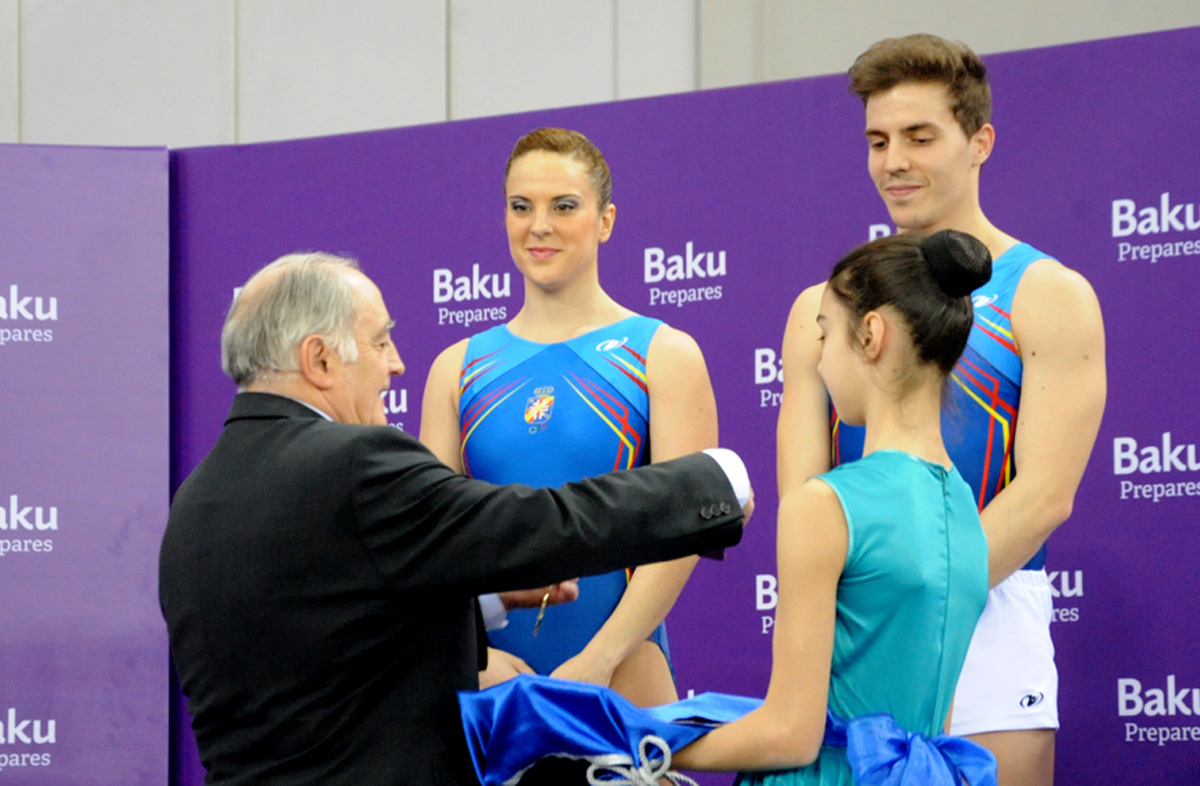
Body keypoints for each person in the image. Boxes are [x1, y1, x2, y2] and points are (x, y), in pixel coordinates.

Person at [158, 252, 752, 786]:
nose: (396, 363)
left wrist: (489, 603)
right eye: (379, 340)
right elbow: (540, 523)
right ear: (319, 358)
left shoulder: (194, 505)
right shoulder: (357, 463)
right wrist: (708, 481)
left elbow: (332, 631)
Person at [776, 34, 1106, 785]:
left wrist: (923, 600)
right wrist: (868, 613)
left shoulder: (1048, 294)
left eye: (920, 137)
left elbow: (1046, 495)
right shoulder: (815, 312)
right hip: (857, 626)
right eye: (878, 140)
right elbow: (804, 495)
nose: (894, 161)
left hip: (989, 617)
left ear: (979, 141)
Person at [673, 231, 994, 784]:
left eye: (824, 336)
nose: (818, 362)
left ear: (870, 335)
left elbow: (789, 733)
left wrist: (640, 742)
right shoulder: (965, 508)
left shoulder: (825, 506)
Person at [421, 128, 719, 708]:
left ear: (605, 220)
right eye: (520, 206)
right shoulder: (456, 368)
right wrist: (474, 653)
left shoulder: (663, 354)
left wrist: (601, 658)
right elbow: (434, 544)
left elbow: (684, 533)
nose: (539, 226)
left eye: (564, 206)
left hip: (622, 675)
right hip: (492, 682)